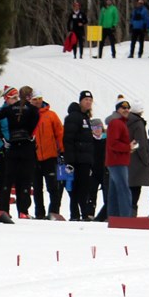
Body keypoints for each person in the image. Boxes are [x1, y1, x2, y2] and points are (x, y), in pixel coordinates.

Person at [0, 86, 39, 218]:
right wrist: (30, 135)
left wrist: (3, 136)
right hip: (17, 147)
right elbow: (35, 125)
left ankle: (12, 210)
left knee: (13, 179)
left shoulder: (10, 109)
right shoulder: (30, 110)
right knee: (17, 180)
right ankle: (14, 210)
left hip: (13, 146)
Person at [30, 92, 64, 219]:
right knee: (37, 188)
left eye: (39, 99)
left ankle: (53, 211)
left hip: (50, 156)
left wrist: (62, 150)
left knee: (53, 187)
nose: (37, 101)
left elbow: (59, 133)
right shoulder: (28, 114)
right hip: (34, 157)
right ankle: (39, 213)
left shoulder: (51, 115)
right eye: (35, 99)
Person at [63, 90, 96, 220]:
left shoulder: (86, 118)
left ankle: (83, 213)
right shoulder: (74, 117)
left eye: (90, 100)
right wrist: (70, 160)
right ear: (80, 101)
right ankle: (75, 214)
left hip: (85, 159)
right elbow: (68, 139)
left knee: (83, 187)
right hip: (76, 159)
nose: (88, 102)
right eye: (86, 100)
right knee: (76, 187)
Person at [105, 98, 134, 217]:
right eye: (123, 108)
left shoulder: (119, 122)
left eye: (128, 108)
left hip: (116, 161)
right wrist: (128, 147)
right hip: (117, 162)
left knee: (115, 192)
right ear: (117, 109)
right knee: (123, 190)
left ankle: (113, 217)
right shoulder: (116, 123)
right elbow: (113, 143)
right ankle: (125, 217)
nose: (126, 110)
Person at [126, 97, 149, 216]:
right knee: (135, 191)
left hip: (126, 161)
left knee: (128, 190)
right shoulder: (138, 124)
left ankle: (125, 214)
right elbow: (140, 144)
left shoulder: (125, 121)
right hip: (137, 163)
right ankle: (131, 215)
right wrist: (146, 160)